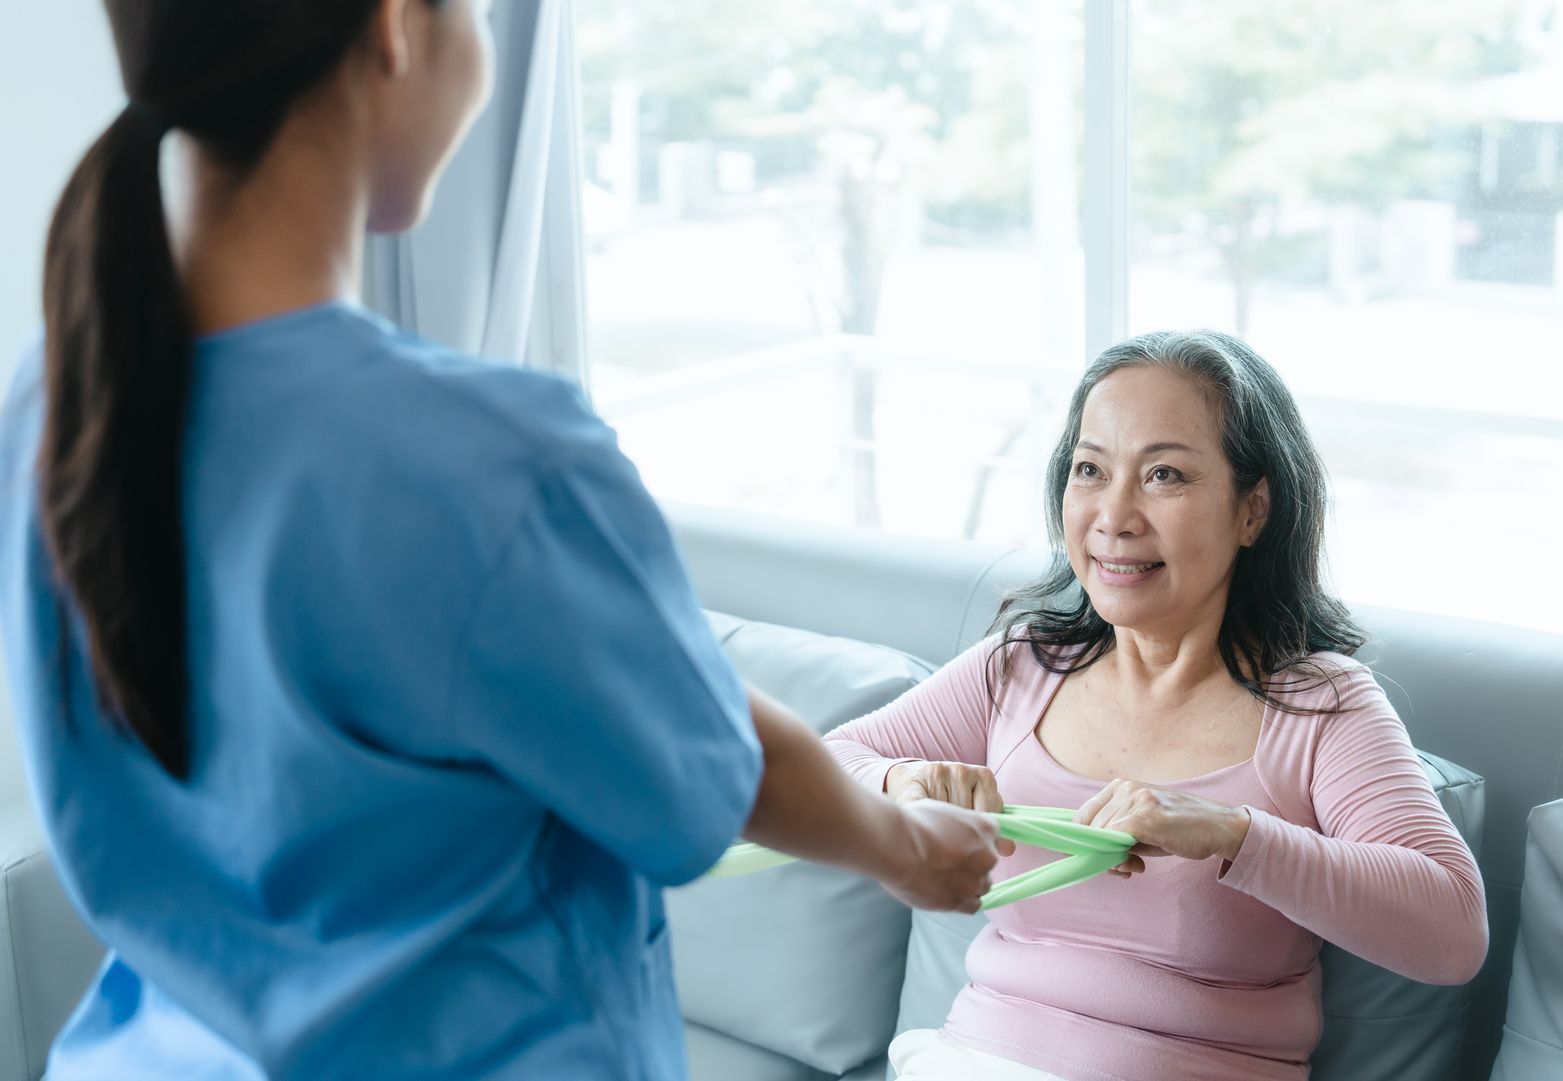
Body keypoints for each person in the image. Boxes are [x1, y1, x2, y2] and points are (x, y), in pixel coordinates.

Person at [0, 2, 1004, 1078]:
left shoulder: (58, 397)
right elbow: (713, 766)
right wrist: (906, 847)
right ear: (396, 26)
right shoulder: (478, 453)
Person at [824, 330, 1489, 1081]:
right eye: (1088, 470)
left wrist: (1229, 833)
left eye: (1163, 474)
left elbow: (1451, 932)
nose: (1113, 514)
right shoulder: (1019, 667)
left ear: (1252, 510)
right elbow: (825, 766)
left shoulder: (1320, 706)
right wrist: (901, 784)